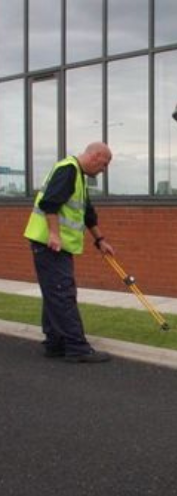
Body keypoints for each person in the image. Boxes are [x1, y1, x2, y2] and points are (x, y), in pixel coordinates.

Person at [23, 142, 115, 363]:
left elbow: (87, 213)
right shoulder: (68, 169)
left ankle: (55, 343)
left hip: (54, 246)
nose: (102, 171)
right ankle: (77, 348)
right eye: (103, 165)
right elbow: (49, 203)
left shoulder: (79, 177)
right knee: (63, 294)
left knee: (54, 293)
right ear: (94, 156)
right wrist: (54, 234)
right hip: (50, 244)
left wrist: (100, 240)